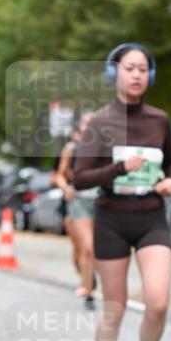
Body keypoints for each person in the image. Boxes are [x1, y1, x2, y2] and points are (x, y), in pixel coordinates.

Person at [73, 43, 171, 341]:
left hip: (151, 217)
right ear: (114, 73)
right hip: (112, 219)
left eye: (142, 69)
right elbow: (80, 178)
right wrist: (119, 169)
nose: (136, 74)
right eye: (129, 68)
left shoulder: (159, 120)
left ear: (149, 77)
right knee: (114, 308)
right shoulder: (100, 123)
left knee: (158, 302)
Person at [53, 112, 97, 308]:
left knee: (91, 248)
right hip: (76, 202)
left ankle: (88, 280)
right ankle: (88, 287)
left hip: (98, 202)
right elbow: (58, 176)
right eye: (87, 123)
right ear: (80, 126)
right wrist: (66, 188)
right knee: (83, 247)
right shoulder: (71, 148)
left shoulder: (103, 147)